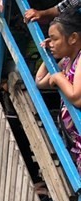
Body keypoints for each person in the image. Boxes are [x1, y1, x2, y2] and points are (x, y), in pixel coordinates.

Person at [35, 11, 81, 172]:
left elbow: (77, 97)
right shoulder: (68, 61)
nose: (51, 43)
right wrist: (49, 55)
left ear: (73, 38)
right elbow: (40, 81)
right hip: (75, 142)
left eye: (54, 39)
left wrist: (59, 79)